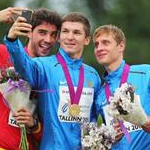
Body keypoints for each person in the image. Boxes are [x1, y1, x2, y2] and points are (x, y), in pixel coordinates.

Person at [4, 12, 101, 150]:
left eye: (77, 32)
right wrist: (12, 40)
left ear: (86, 40)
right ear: (59, 38)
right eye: (65, 31)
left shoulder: (93, 75)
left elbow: (95, 118)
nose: (70, 37)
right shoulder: (43, 66)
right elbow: (23, 66)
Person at [0, 7, 61, 150]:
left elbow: (53, 134)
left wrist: (34, 125)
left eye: (53, 35)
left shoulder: (54, 73)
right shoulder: (4, 53)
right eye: (42, 32)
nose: (48, 40)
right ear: (29, 31)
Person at [93, 24, 150, 150]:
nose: (99, 48)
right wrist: (107, 137)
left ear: (121, 46)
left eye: (105, 43)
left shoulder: (146, 73)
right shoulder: (99, 95)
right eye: (96, 45)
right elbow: (98, 138)